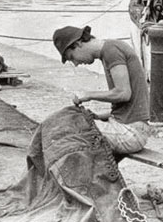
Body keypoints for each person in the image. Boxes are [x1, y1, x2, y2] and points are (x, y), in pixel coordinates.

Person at [52, 25, 150, 154]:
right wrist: (97, 116)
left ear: (78, 44)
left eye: (72, 57)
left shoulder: (112, 51)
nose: (75, 63)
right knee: (69, 125)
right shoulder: (109, 50)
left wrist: (88, 95)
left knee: (66, 131)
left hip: (131, 134)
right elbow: (128, 108)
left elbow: (124, 93)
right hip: (126, 129)